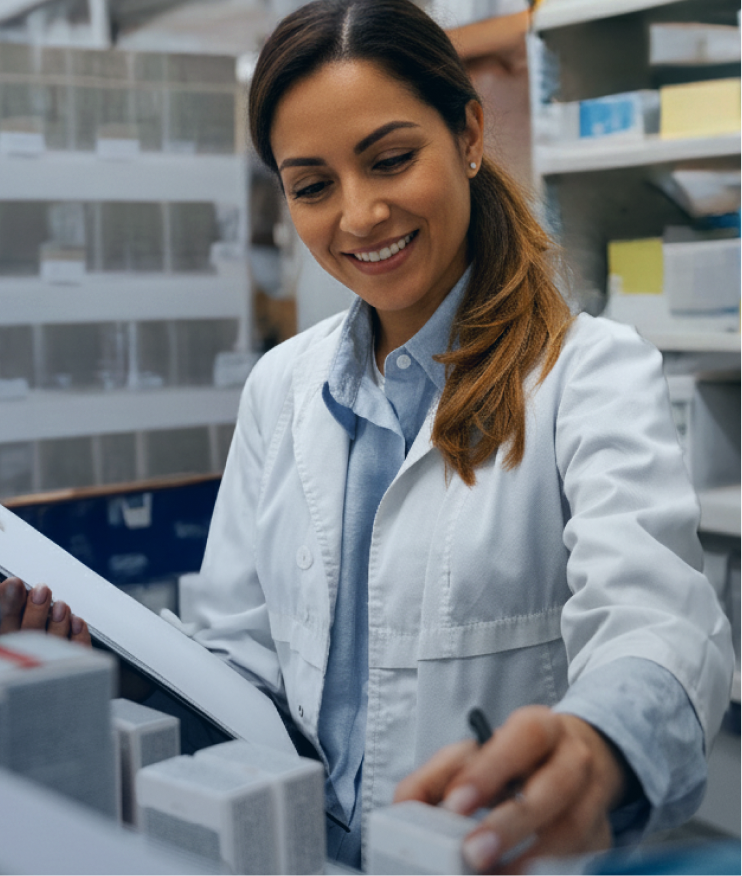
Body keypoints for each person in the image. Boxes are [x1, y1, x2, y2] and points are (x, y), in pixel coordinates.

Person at [0, 1, 732, 873]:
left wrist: (600, 743)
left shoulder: (588, 374)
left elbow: (659, 626)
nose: (359, 215)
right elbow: (242, 655)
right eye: (313, 186)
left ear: (466, 135)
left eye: (390, 160)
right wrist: (100, 663)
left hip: (477, 854)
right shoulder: (282, 386)